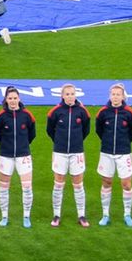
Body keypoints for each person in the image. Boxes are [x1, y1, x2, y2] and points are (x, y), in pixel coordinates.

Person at [46, 84, 91, 228]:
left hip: (77, 151)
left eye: (72, 94)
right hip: (60, 152)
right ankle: (56, 214)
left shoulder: (83, 112)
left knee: (78, 184)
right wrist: (59, 142)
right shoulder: (55, 112)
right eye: (68, 94)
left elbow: (86, 130)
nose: (70, 96)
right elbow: (50, 130)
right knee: (58, 183)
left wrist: (76, 143)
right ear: (62, 96)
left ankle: (81, 215)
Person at [0, 85, 36, 227]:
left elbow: (31, 134)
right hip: (6, 156)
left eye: (15, 98)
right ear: (5, 99)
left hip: (23, 155)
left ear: (19, 98)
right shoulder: (1, 117)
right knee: (4, 187)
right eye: (10, 98)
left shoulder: (27, 115)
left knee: (27, 187)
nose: (13, 101)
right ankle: (4, 216)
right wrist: (6, 146)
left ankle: (26, 216)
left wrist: (23, 146)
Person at [94, 83, 132, 227]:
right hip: (106, 152)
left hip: (124, 152)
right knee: (106, 182)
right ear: (110, 95)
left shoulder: (130, 113)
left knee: (126, 184)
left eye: (118, 94)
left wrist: (123, 143)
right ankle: (105, 214)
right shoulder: (103, 112)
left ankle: (127, 214)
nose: (115, 97)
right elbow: (99, 130)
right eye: (113, 94)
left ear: (123, 96)